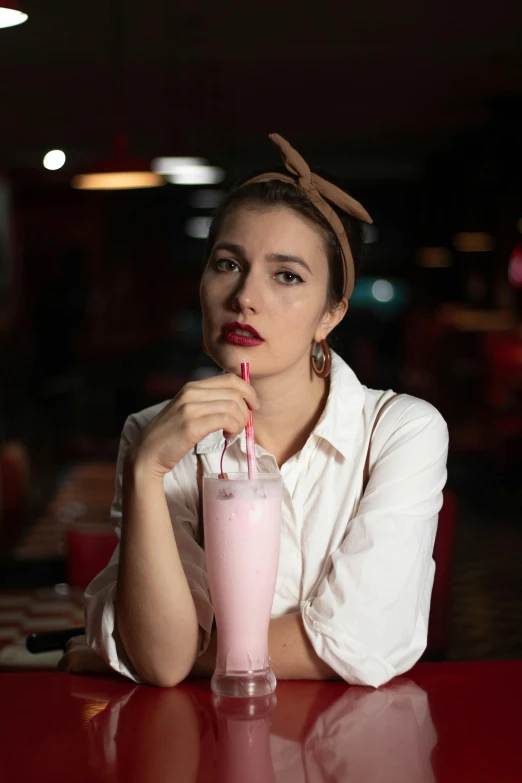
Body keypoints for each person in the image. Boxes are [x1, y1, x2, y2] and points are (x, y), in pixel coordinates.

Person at [63, 134, 448, 687]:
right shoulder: (152, 434)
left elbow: (363, 640)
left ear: (330, 314)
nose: (245, 296)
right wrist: (146, 472)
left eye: (287, 275)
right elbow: (160, 660)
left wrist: (169, 655)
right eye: (227, 264)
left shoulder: (398, 431)